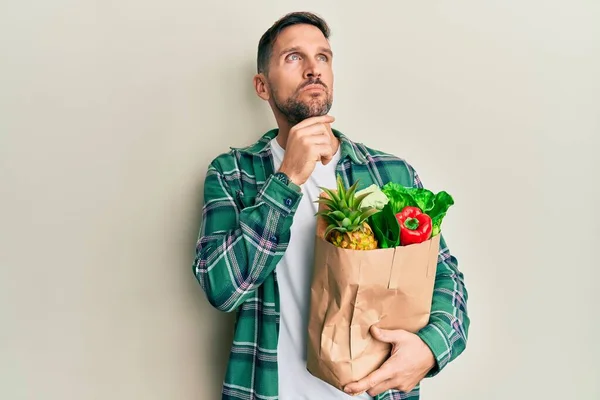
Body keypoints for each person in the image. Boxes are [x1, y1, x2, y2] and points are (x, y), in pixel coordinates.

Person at [193, 11, 469, 400]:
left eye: (323, 57)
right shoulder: (232, 173)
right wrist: (286, 179)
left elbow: (446, 278)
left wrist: (431, 348)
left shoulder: (391, 173)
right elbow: (221, 289)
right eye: (294, 58)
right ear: (262, 86)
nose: (313, 70)